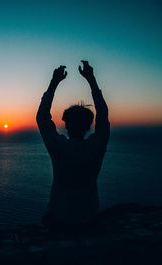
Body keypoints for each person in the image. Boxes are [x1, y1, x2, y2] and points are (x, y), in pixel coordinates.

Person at [36, 61, 110, 230]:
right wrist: (91, 80)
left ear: (66, 125)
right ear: (89, 125)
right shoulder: (96, 147)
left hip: (60, 218)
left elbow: (42, 118)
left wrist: (54, 83)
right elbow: (103, 116)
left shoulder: (59, 147)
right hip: (89, 217)